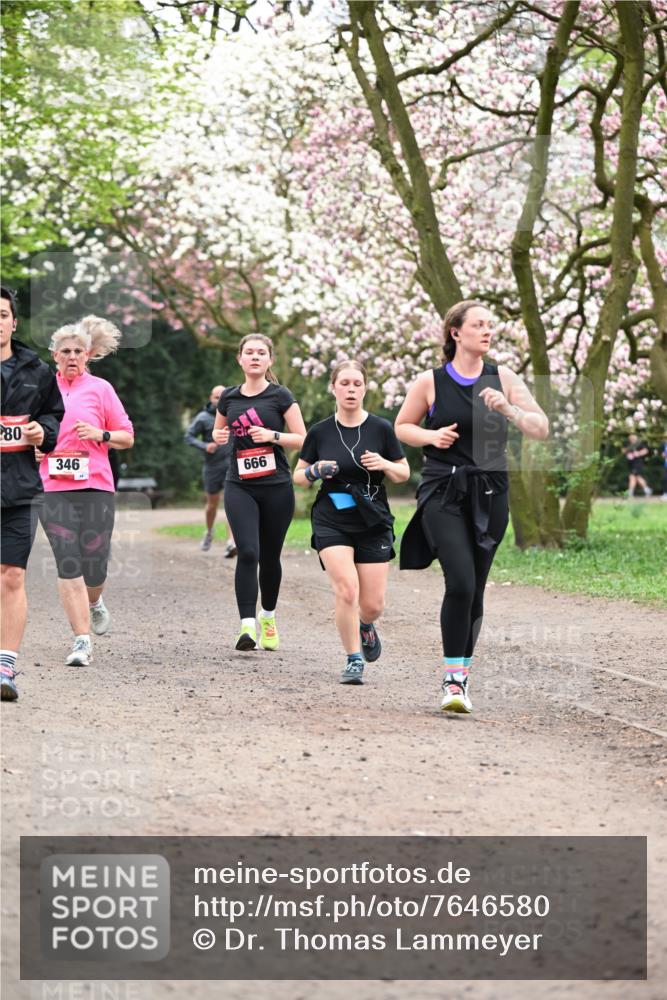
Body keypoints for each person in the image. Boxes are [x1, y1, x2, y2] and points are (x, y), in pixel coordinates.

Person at [395, 300, 549, 714]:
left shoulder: (504, 378)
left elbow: (540, 428)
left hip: (491, 492)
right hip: (443, 491)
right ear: (455, 332)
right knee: (460, 582)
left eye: (489, 325)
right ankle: (451, 680)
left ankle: (461, 677)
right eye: (478, 324)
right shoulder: (430, 381)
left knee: (476, 586)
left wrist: (508, 409)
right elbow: (402, 426)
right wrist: (431, 437)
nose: (487, 331)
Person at [294, 361, 409, 684]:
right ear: (333, 388)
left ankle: (365, 624)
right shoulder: (320, 431)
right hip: (331, 516)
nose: (350, 389)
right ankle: (353, 658)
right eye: (344, 383)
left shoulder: (381, 428)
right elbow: (298, 477)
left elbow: (403, 473)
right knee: (347, 590)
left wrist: (384, 463)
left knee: (372, 605)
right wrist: (315, 471)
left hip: (372, 518)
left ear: (365, 389)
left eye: (357, 384)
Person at [37, 316, 134, 667]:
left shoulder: (101, 389)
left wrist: (100, 435)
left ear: (88, 355)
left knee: (94, 564)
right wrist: (33, 447)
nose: (72, 356)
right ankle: (81, 641)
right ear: (54, 355)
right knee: (68, 560)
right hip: (51, 487)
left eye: (78, 351)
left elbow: (126, 436)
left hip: (95, 485)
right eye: (65, 351)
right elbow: (22, 430)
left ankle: (95, 602)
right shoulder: (40, 389)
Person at [213, 334, 306, 651]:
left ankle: (267, 616)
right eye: (249, 352)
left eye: (261, 353)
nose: (255, 357)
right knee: (248, 552)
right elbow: (218, 430)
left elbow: (303, 438)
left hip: (276, 486)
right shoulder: (228, 397)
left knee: (269, 556)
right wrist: (218, 435)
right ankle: (247, 627)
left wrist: (272, 435)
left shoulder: (281, 396)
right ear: (239, 359)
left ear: (269, 360)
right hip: (239, 484)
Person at [1, 286, 65, 701]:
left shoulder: (36, 370)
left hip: (19, 489)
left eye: (2, 314)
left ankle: (5, 667)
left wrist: (45, 431)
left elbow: (53, 414)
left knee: (12, 575)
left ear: (14, 322)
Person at [184, 384, 236, 555]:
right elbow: (188, 436)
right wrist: (205, 446)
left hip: (232, 466)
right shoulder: (203, 417)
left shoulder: (234, 414)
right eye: (216, 397)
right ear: (211, 398)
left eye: (223, 396)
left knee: (231, 503)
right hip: (212, 467)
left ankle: (231, 542)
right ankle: (209, 531)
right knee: (212, 505)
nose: (220, 400)